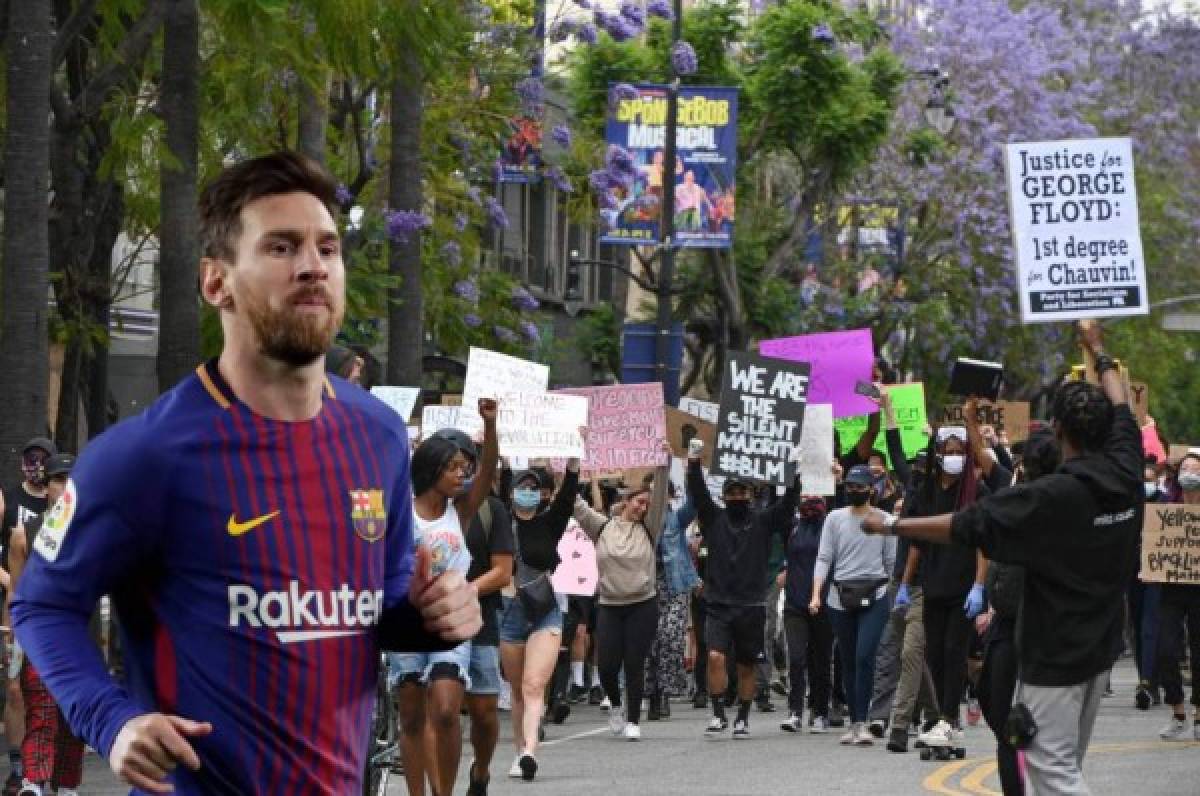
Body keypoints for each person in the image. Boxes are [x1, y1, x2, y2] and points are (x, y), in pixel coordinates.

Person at [10, 152, 481, 795]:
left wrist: (431, 616)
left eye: (327, 247)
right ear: (216, 283)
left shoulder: (376, 435)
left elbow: (377, 606)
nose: (313, 266)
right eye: (281, 247)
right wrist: (113, 722)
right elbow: (41, 603)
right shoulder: (143, 457)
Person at [863, 319, 1143, 795]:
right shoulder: (1126, 465)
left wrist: (892, 524)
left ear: (1057, 431)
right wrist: (1098, 350)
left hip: (1054, 658)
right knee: (1063, 763)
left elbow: (964, 525)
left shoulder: (1051, 497)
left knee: (1050, 772)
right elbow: (1120, 404)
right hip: (1100, 653)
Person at [392, 411, 498, 796]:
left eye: (463, 468)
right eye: (453, 468)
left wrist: (490, 426)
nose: (461, 475)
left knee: (446, 711)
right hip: (406, 620)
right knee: (412, 717)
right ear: (431, 468)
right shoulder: (400, 509)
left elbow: (487, 475)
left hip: (451, 621)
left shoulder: (461, 512)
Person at [687, 443, 799, 740]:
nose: (737, 497)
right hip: (718, 604)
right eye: (732, 493)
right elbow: (697, 493)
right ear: (724, 497)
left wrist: (795, 472)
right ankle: (717, 713)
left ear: (751, 496)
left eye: (742, 493)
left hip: (751, 605)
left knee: (747, 665)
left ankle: (743, 717)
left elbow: (788, 506)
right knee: (714, 657)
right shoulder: (714, 519)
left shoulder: (762, 520)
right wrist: (694, 460)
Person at [976, 429, 1057, 796]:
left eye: (1030, 464)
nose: (1023, 470)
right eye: (1021, 463)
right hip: (1006, 623)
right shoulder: (1010, 500)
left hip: (1044, 629)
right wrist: (973, 417)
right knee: (996, 706)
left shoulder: (1061, 506)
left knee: (1039, 723)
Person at [571, 448, 672, 740]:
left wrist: (662, 464)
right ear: (626, 501)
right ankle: (615, 703)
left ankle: (633, 720)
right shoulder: (602, 527)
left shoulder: (649, 529)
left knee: (633, 662)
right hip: (610, 605)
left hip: (642, 604)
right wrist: (570, 465)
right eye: (639, 502)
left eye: (647, 504)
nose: (643, 508)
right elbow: (576, 505)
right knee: (607, 665)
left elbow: (661, 498)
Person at [904, 422, 992, 753]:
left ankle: (948, 721)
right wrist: (905, 583)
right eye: (948, 452)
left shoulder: (975, 493)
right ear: (938, 454)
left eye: (960, 453)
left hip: (963, 588)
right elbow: (916, 541)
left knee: (956, 652)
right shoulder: (926, 491)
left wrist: (979, 586)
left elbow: (983, 544)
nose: (954, 458)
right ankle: (946, 719)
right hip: (933, 584)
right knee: (935, 655)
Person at [6, 453, 84, 796]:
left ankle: (65, 785)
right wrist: (14, 640)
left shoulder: (93, 531)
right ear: (46, 486)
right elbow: (15, 591)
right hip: (38, 635)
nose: (64, 487)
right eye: (57, 480)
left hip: (79, 637)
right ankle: (33, 781)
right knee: (41, 711)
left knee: (73, 719)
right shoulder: (24, 535)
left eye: (70, 480)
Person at [499, 462, 579, 781]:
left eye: (534, 488)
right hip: (510, 613)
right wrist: (497, 457)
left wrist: (574, 467)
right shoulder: (501, 522)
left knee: (534, 685)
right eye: (522, 487)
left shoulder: (550, 523)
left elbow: (568, 498)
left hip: (544, 610)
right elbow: (488, 493)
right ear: (512, 491)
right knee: (518, 690)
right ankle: (520, 751)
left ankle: (531, 751)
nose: (528, 493)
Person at [811, 465, 897, 746]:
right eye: (850, 486)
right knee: (846, 660)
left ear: (872, 489)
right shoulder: (834, 519)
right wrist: (816, 594)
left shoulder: (885, 520)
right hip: (840, 596)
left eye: (860, 487)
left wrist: (897, 599)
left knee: (864, 656)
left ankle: (865, 718)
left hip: (876, 592)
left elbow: (892, 564)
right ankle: (855, 722)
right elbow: (824, 557)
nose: (854, 491)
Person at [1, 438, 55, 795]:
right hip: (12, 600)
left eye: (42, 462)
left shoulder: (65, 510)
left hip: (49, 609)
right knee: (15, 688)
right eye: (28, 459)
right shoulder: (11, 501)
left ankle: (48, 768)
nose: (34, 466)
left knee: (45, 691)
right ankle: (19, 767)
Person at [462, 467, 515, 796]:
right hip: (432, 621)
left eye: (464, 466)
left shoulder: (490, 510)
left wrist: (463, 591)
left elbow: (502, 572)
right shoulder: (420, 507)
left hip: (479, 619)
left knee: (483, 712)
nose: (458, 473)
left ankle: (480, 770)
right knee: (443, 708)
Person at [644, 478, 700, 721]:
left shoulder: (675, 519)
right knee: (650, 641)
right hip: (646, 588)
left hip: (674, 586)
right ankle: (654, 694)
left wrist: (692, 469)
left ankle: (667, 690)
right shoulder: (640, 522)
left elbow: (695, 503)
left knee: (670, 634)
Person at [778, 495, 834, 734]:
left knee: (820, 659)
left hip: (824, 602)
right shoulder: (792, 526)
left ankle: (820, 711)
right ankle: (794, 712)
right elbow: (780, 506)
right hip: (795, 603)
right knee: (797, 658)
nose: (809, 501)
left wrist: (837, 479)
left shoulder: (831, 526)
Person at [1156, 452, 1200, 741]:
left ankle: (1198, 714)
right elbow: (1151, 542)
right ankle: (1178, 711)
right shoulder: (1165, 506)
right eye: (1185, 468)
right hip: (1171, 590)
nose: (1189, 472)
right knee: (1166, 650)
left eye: (1195, 469)